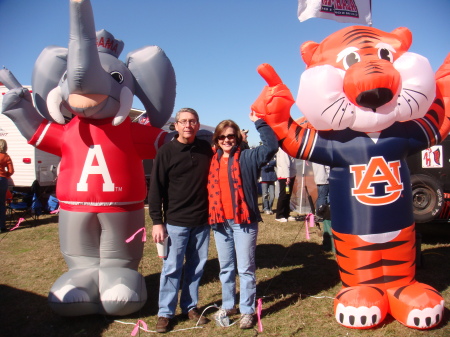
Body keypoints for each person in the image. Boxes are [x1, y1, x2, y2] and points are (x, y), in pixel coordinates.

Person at [208, 112, 278, 329]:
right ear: (217, 139)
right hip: (220, 222)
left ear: (237, 137)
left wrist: (259, 121)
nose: (226, 140)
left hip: (243, 221)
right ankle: (228, 305)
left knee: (246, 268)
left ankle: (247, 310)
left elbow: (272, 145)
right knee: (226, 267)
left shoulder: (248, 157)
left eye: (230, 136)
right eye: (222, 137)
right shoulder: (213, 160)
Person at [149, 108, 214, 333]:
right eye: (183, 121)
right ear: (175, 125)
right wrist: (157, 221)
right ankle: (165, 313)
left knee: (196, 267)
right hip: (175, 223)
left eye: (192, 121)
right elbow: (155, 189)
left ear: (198, 125)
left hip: (202, 221)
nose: (188, 125)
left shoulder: (206, 149)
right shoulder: (166, 152)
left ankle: (190, 307)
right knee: (171, 268)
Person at [312, 162, 333, 251]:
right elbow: (328, 167)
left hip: (319, 179)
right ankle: (322, 214)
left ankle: (320, 214)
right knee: (324, 198)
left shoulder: (315, 158)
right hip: (324, 179)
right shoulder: (322, 158)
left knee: (321, 197)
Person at [274, 148, 297, 222]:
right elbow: (284, 163)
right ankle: (279, 215)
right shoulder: (283, 149)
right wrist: (287, 176)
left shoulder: (288, 149)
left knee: (288, 195)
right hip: (284, 176)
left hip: (290, 175)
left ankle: (286, 213)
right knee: (283, 195)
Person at [0, 139, 14, 233]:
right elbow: (11, 170)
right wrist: (6, 175)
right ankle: (2, 226)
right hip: (2, 180)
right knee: (2, 203)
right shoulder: (6, 156)